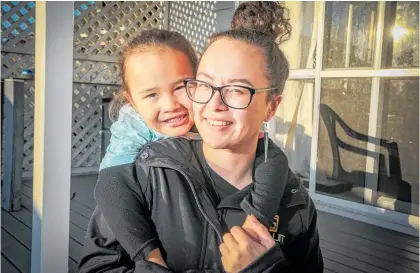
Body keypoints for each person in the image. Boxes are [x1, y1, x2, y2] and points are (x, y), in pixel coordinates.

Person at [77, 2, 323, 272]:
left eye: (237, 89)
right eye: (206, 84)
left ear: (271, 106)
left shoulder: (294, 204)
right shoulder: (142, 175)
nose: (214, 103)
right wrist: (151, 260)